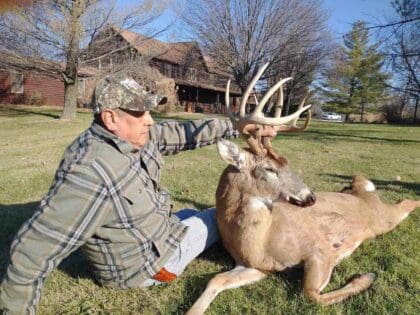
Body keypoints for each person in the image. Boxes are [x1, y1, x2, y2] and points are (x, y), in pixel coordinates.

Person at [0, 75, 277, 314]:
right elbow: (30, 255)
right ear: (110, 117)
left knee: (193, 216)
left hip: (155, 233)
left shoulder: (129, 137)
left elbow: (181, 133)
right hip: (147, 267)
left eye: (148, 111)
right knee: (219, 216)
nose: (149, 120)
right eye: (139, 113)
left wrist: (237, 127)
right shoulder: (91, 173)